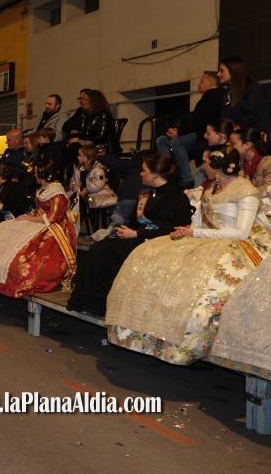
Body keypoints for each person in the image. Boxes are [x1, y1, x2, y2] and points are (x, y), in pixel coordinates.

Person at [105, 146, 271, 365]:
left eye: (205, 162)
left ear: (218, 168)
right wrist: (187, 231)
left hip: (236, 245)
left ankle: (187, 342)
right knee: (150, 252)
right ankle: (147, 334)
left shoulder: (245, 191)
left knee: (207, 283)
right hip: (205, 240)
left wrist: (196, 233)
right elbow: (201, 220)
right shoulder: (212, 188)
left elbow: (241, 232)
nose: (202, 166)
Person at [67, 153, 192, 316]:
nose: (140, 173)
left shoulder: (176, 196)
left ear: (155, 174)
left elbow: (170, 227)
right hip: (140, 237)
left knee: (104, 251)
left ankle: (101, 303)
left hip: (160, 242)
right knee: (99, 247)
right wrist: (126, 230)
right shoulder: (147, 193)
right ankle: (91, 301)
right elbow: (135, 221)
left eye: (144, 170)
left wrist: (136, 233)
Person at [0, 159, 76, 297]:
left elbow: (51, 219)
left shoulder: (57, 193)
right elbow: (40, 211)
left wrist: (28, 219)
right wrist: (27, 216)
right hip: (39, 221)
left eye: (36, 173)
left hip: (55, 228)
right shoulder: (45, 189)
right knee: (7, 226)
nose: (34, 175)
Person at [156, 71, 225, 186]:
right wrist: (177, 130)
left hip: (202, 134)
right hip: (194, 132)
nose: (199, 84)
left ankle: (186, 178)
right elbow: (195, 118)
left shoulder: (214, 96)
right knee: (161, 140)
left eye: (202, 80)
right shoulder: (207, 98)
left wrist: (179, 132)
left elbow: (200, 121)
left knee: (176, 142)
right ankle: (166, 174)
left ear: (210, 81)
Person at [231, 127, 271, 191]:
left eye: (233, 144)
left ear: (247, 145)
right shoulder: (240, 163)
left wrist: (246, 194)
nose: (231, 148)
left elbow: (268, 189)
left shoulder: (268, 162)